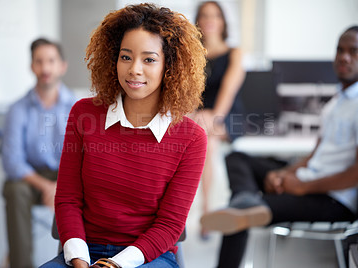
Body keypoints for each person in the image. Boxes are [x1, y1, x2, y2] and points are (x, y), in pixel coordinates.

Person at [40, 3, 207, 268]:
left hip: (148, 257)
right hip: (83, 251)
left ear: (169, 67)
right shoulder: (84, 114)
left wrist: (115, 265)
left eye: (149, 59)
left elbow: (170, 224)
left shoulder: (191, 137)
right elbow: (68, 199)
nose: (134, 69)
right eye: (126, 56)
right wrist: (81, 261)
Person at [200, 25, 358, 268]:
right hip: (311, 179)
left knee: (236, 216)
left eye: (353, 51)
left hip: (334, 200)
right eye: (340, 50)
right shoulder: (336, 102)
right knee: (237, 158)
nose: (344, 57)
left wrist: (303, 186)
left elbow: (355, 174)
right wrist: (286, 174)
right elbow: (316, 155)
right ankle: (245, 199)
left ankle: (244, 204)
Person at [1, 38, 76, 268]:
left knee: (78, 194)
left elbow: (81, 157)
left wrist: (59, 186)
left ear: (62, 66)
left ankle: (68, 261)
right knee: (14, 189)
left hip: (66, 176)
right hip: (32, 179)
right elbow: (13, 162)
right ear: (31, 66)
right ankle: (20, 264)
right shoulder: (18, 109)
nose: (45, 68)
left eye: (51, 61)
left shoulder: (77, 107)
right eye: (39, 62)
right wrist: (47, 187)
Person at [192, 1, 246, 239]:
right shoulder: (193, 56)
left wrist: (213, 117)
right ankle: (207, 211)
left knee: (205, 136)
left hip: (229, 115)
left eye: (215, 15)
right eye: (204, 16)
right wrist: (195, 116)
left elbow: (228, 91)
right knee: (206, 139)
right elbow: (189, 94)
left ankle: (206, 211)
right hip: (201, 117)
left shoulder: (234, 53)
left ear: (223, 21)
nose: (210, 20)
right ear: (198, 22)